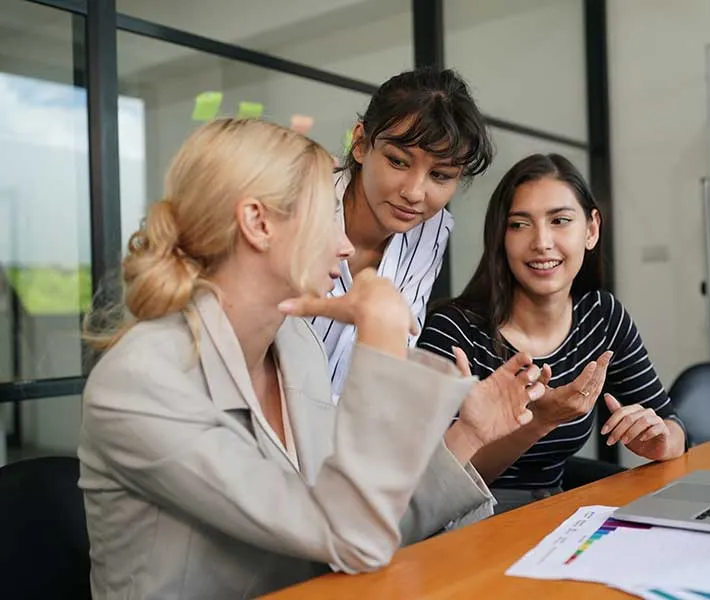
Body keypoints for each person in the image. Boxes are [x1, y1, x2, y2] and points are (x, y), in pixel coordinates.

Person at [78, 118, 545, 599]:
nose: (345, 247)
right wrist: (380, 339)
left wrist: (468, 434)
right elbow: (351, 535)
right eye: (327, 217)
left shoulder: (297, 345)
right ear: (258, 223)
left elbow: (353, 522)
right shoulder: (140, 381)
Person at [417, 153, 687, 514]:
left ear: (591, 229)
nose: (542, 242)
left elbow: (673, 424)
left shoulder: (601, 317)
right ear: (500, 238)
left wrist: (662, 442)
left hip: (553, 515)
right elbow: (433, 486)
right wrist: (540, 421)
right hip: (464, 523)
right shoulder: (454, 331)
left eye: (560, 221)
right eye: (519, 225)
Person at [301, 66, 493, 397]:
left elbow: (396, 355)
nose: (415, 192)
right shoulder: (299, 205)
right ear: (360, 143)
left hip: (352, 433)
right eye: (399, 162)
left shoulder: (432, 231)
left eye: (441, 176)